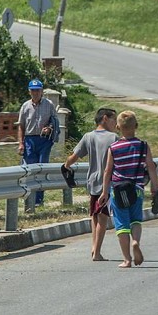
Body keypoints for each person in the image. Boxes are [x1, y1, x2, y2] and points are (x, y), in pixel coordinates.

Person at [100, 111, 158, 268]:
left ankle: (127, 259)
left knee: (121, 226)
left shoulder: (113, 148)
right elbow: (151, 167)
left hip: (118, 191)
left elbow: (108, 171)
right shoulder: (143, 146)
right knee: (136, 221)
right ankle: (136, 241)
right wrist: (155, 186)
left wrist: (104, 192)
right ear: (136, 126)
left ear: (118, 127)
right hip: (137, 189)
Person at [62, 107, 118, 261]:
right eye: (114, 119)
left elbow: (74, 156)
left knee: (94, 215)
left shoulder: (88, 137)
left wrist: (66, 166)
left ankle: (94, 248)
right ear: (105, 118)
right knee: (103, 217)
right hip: (107, 184)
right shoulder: (114, 138)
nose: (116, 123)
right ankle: (97, 252)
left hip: (92, 182)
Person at [17, 78, 59, 206]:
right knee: (30, 170)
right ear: (29, 91)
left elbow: (55, 121)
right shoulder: (25, 106)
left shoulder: (49, 104)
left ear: (42, 91)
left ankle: (39, 200)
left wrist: (50, 128)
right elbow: (21, 126)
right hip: (29, 139)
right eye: (33, 90)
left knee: (42, 169)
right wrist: (20, 143)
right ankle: (29, 199)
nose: (35, 93)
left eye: (38, 90)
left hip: (44, 140)